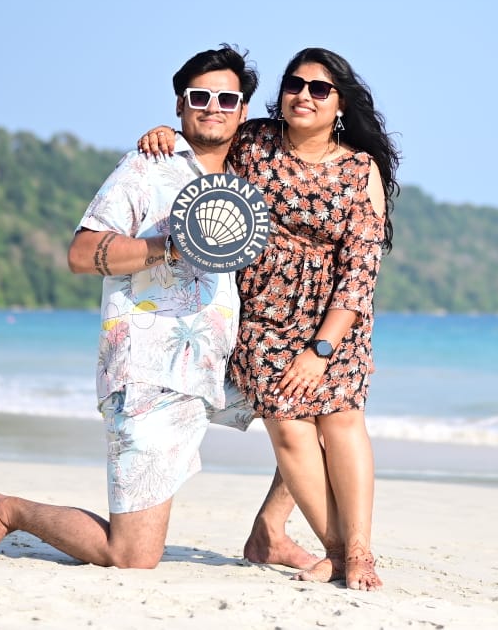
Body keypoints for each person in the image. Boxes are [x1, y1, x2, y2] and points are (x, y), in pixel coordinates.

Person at [0, 46, 315, 571]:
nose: (212, 107)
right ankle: (5, 509)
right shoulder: (146, 166)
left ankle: (269, 533)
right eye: (199, 96)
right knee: (131, 556)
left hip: (223, 363)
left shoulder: (250, 171)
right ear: (180, 104)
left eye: (226, 99)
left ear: (243, 111)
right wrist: (169, 247)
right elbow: (81, 254)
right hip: (150, 370)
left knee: (322, 402)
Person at [141, 46, 398, 590]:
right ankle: (337, 552)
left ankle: (359, 551)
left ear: (340, 105)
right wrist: (166, 132)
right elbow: (206, 138)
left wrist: (322, 350)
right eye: (294, 84)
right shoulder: (254, 141)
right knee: (289, 421)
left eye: (319, 89)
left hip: (335, 316)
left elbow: (360, 272)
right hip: (261, 315)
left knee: (342, 419)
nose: (303, 95)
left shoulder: (360, 170)